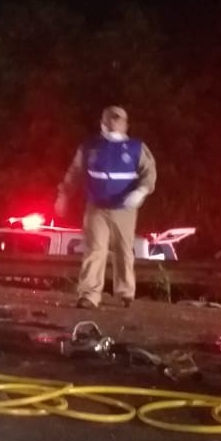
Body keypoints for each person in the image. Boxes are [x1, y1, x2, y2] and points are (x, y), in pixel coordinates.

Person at [54, 106, 158, 309]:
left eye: (119, 119)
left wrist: (141, 191)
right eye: (111, 119)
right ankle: (90, 295)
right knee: (95, 249)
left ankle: (125, 292)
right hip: (96, 207)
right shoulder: (89, 147)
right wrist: (63, 195)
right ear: (103, 122)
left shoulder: (136, 148)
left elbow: (149, 172)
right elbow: (74, 173)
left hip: (124, 208)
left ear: (126, 124)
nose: (114, 123)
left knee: (124, 249)